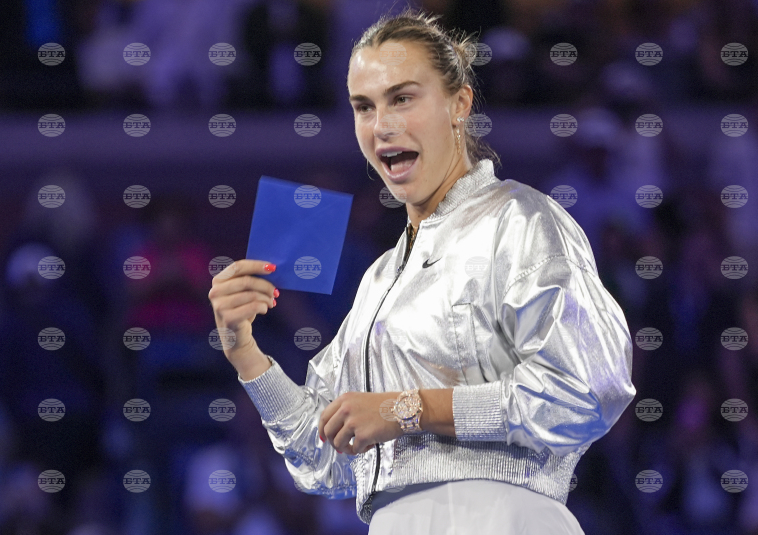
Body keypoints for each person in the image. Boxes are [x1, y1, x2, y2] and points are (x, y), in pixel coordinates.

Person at [207, 7, 636, 534]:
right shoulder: (380, 280)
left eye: (403, 98)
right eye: (364, 107)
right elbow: (324, 460)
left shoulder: (520, 218)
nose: (382, 125)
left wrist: (408, 409)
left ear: (460, 104)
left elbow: (587, 390)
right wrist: (246, 354)